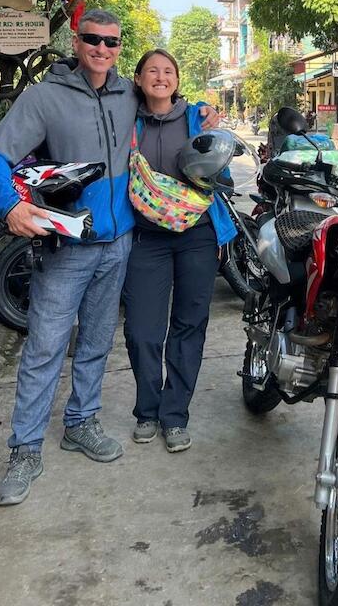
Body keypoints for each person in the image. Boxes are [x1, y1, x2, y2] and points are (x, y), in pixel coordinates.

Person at [0, 9, 219, 507]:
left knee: (95, 344)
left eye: (111, 42)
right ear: (77, 40)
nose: (102, 49)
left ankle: (80, 423)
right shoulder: (44, 98)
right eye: (93, 39)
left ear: (118, 47)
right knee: (45, 348)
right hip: (66, 247)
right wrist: (10, 205)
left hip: (122, 244)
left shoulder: (128, 93)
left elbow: (171, 105)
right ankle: (24, 449)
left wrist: (205, 112)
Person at [122, 49, 236, 453]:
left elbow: (221, 174)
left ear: (176, 80)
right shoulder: (126, 118)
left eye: (168, 70)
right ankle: (146, 410)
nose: (160, 76)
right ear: (137, 79)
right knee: (141, 331)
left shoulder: (196, 117)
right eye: (152, 70)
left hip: (197, 236)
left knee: (190, 325)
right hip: (145, 239)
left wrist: (210, 116)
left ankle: (174, 416)